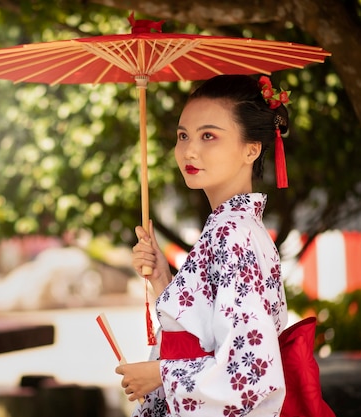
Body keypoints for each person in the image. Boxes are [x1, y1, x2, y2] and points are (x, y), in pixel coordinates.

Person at [117, 74, 290, 416]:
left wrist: (161, 374)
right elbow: (204, 335)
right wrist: (162, 280)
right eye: (183, 136)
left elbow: (252, 371)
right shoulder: (228, 227)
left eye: (208, 136)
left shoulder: (234, 233)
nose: (189, 150)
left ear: (251, 149)